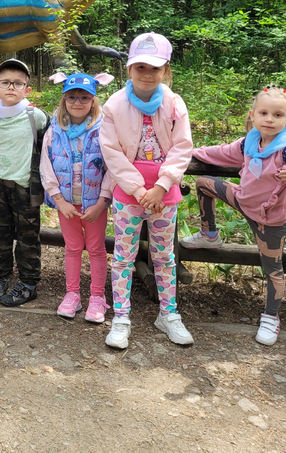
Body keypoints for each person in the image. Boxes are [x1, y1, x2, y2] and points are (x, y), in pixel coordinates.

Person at [183, 86, 286, 346]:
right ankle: (209, 234)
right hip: (243, 200)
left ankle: (271, 316)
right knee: (203, 183)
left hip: (270, 217)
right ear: (252, 115)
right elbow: (222, 152)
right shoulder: (250, 141)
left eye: (277, 115)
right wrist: (190, 152)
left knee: (272, 268)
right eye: (264, 113)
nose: (269, 119)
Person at [100, 32, 194, 349]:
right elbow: (111, 151)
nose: (147, 74)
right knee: (123, 257)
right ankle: (121, 316)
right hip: (129, 194)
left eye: (155, 68)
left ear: (165, 70)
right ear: (129, 69)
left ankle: (168, 313)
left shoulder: (174, 103)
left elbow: (182, 147)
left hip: (164, 195)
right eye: (140, 67)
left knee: (164, 256)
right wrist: (139, 190)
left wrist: (162, 186)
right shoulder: (114, 104)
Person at [41, 71, 114, 321]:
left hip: (94, 204)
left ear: (93, 100)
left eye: (84, 97)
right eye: (72, 97)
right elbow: (46, 165)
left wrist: (102, 201)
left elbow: (113, 167)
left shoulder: (104, 130)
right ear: (64, 99)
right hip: (67, 204)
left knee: (96, 248)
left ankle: (97, 296)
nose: (78, 102)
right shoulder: (54, 131)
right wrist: (58, 200)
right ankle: (72, 294)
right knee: (72, 247)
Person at [0, 59, 48, 307]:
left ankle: (29, 283)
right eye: (5, 82)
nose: (11, 87)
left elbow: (49, 146)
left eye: (18, 83)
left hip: (26, 187)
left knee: (27, 237)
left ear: (27, 89)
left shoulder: (36, 116)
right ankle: (1, 277)